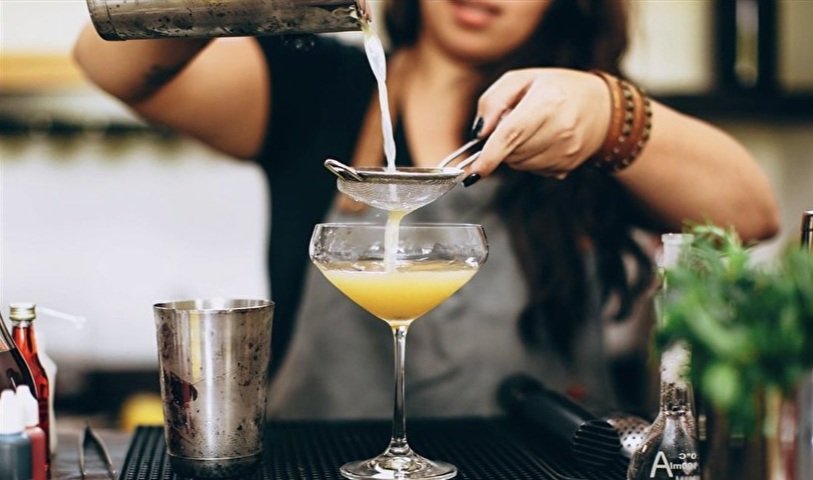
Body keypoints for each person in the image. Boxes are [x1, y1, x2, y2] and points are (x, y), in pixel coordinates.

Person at [73, 0, 779, 419]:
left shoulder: (568, 119)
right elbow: (108, 61)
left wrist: (609, 113)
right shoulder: (317, 85)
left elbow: (749, 215)